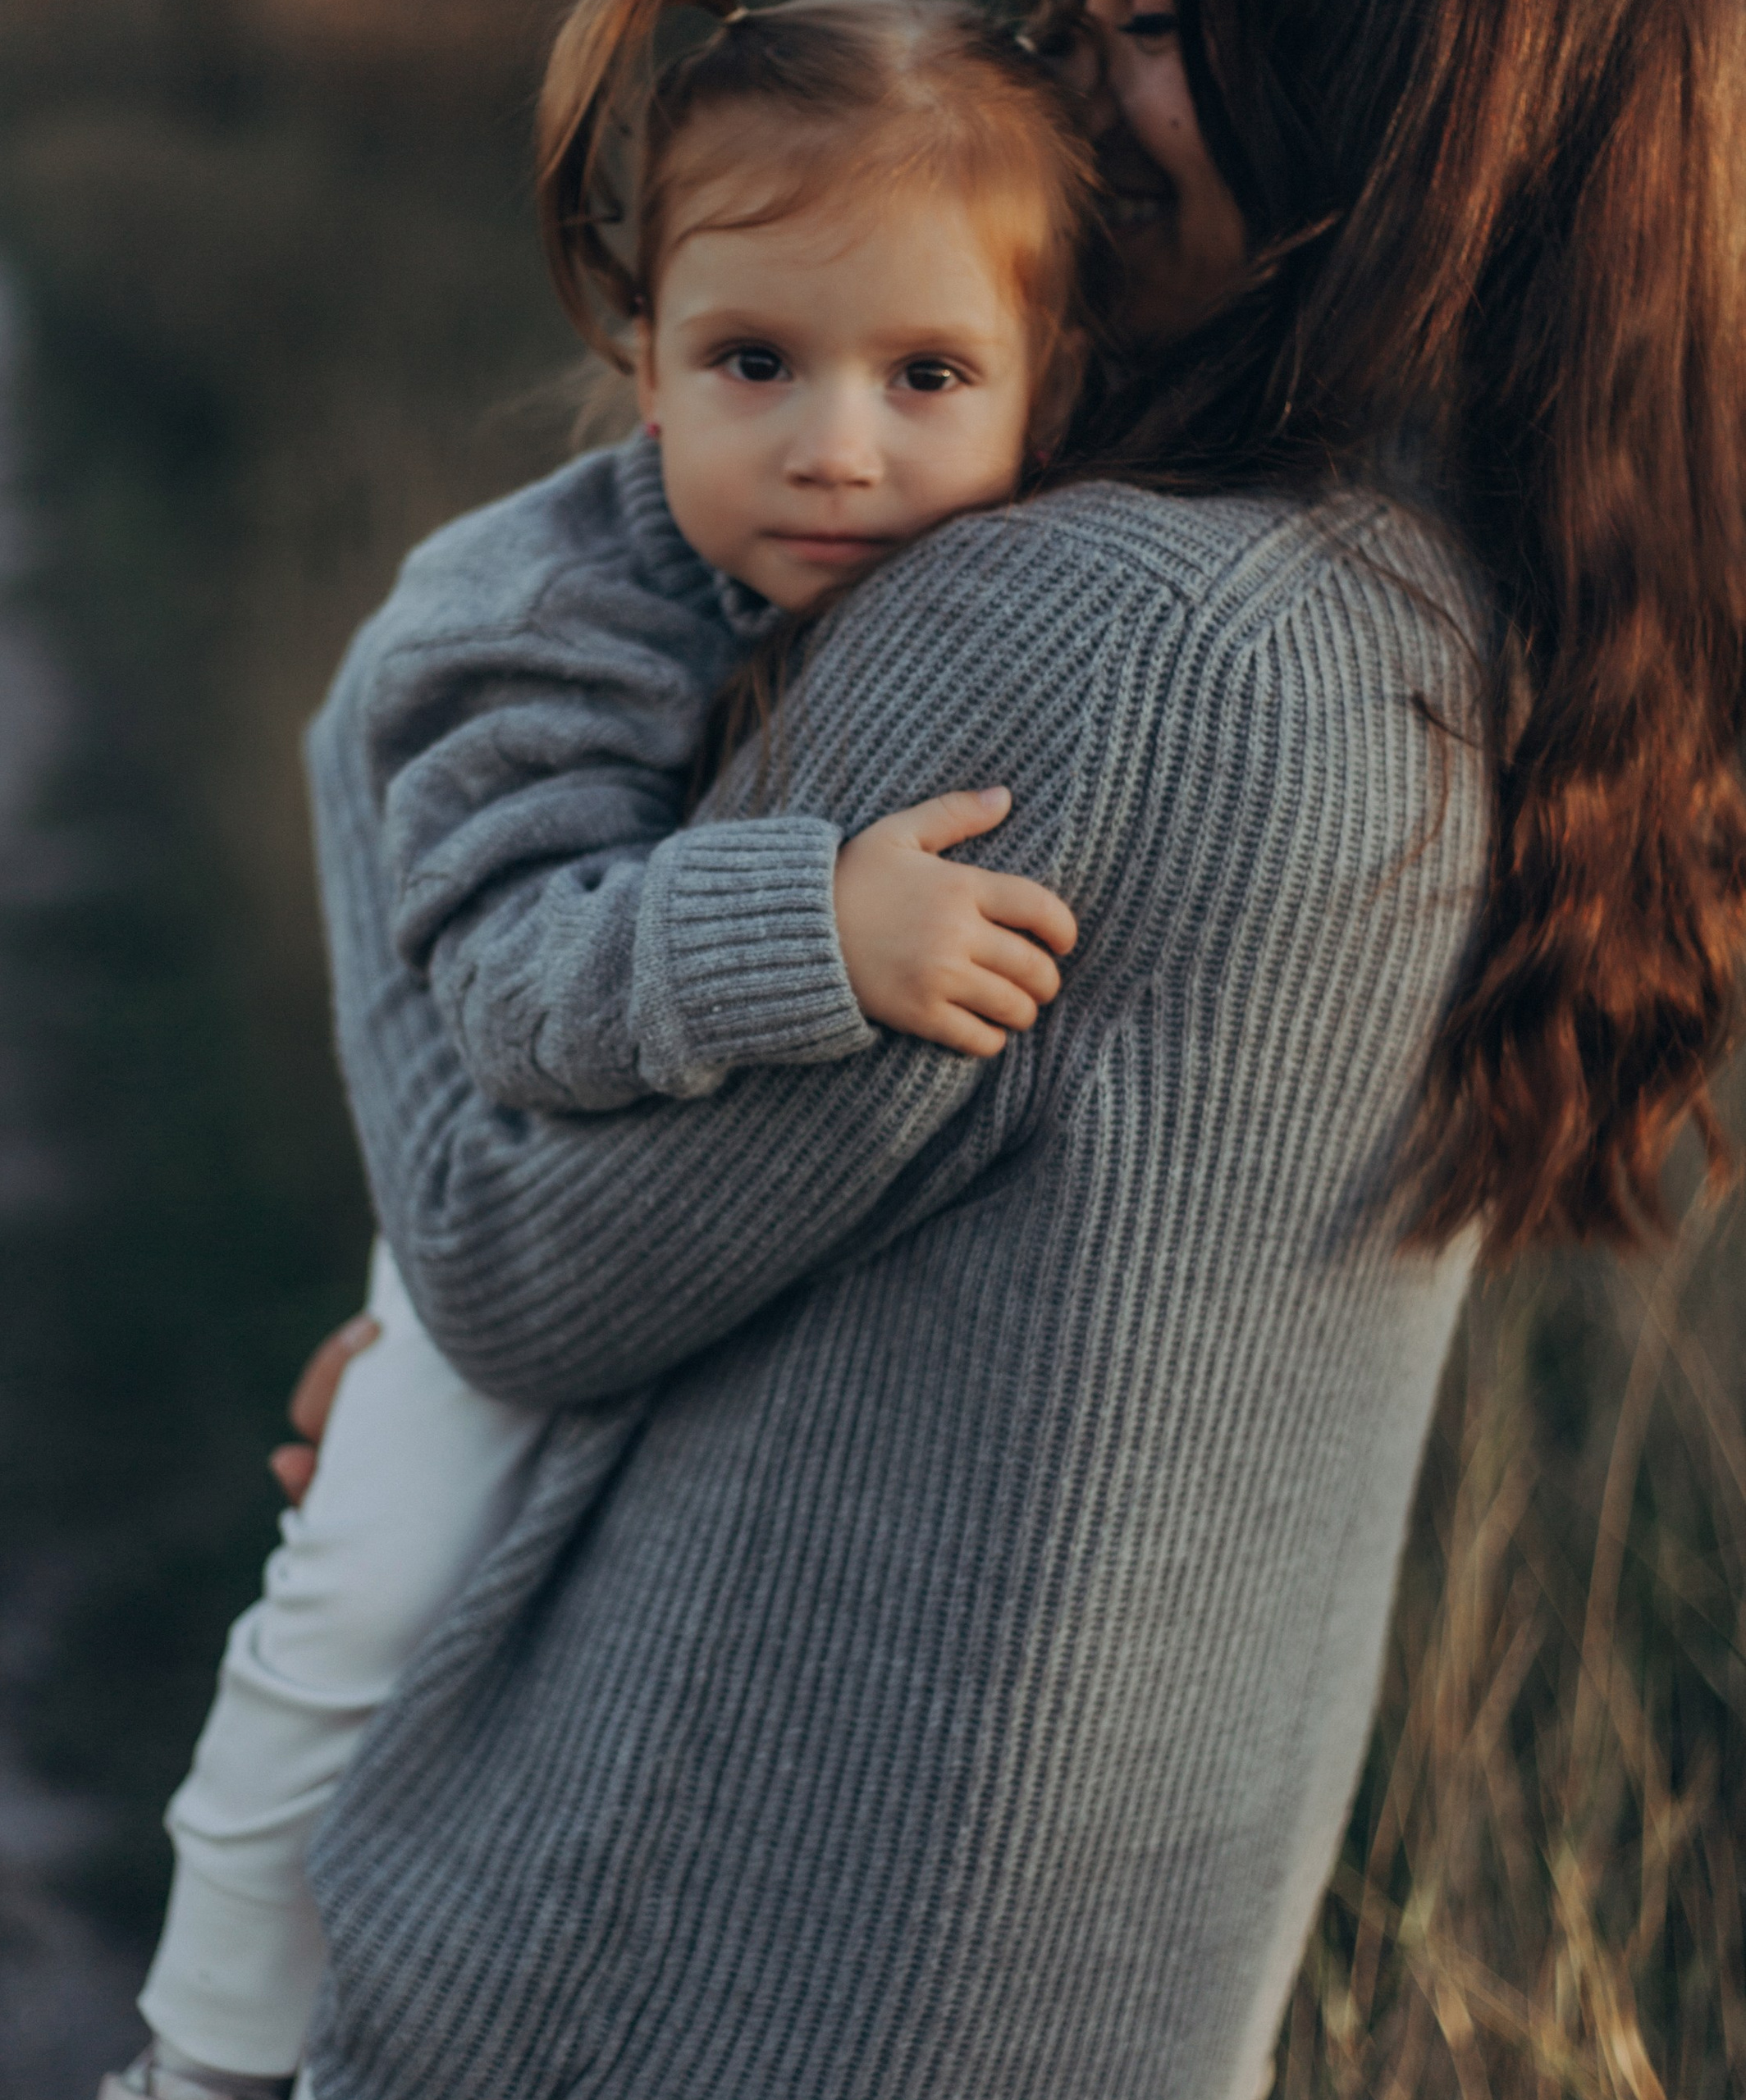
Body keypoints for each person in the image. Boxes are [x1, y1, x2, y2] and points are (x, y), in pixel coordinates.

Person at [285, 0, 1746, 2093]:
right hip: (1088, 2002)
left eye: (1150, 25)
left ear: (1389, 88)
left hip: (710, 1991)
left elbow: (507, 1263)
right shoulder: (1513, 621)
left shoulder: (1106, 643)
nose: (1064, 62)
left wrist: (373, 734)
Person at [102, 5, 1096, 2092]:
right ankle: (204, 2046)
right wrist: (809, 929)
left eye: (925, 376)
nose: (836, 446)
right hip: (516, 1167)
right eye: (755, 363)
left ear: (1044, 374)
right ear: (645, 362)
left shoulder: (1007, 565)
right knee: (367, 1591)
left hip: (689, 1236)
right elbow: (506, 978)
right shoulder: (531, 611)